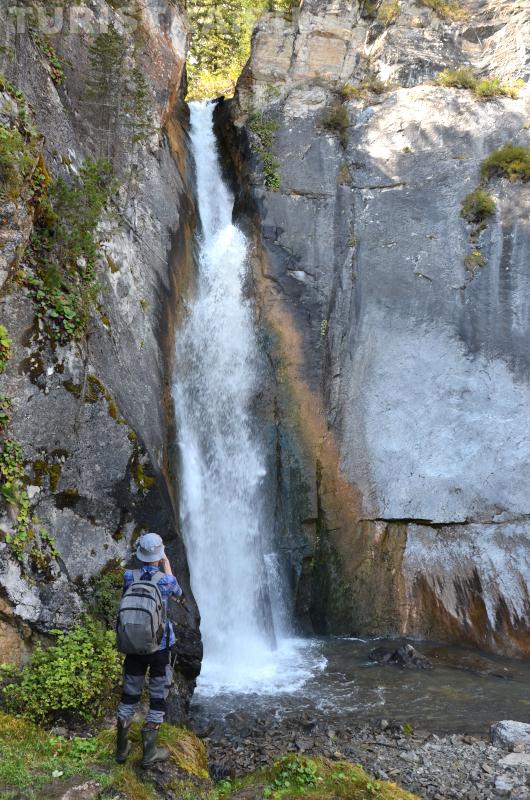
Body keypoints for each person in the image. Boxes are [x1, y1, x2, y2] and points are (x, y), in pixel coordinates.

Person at [116, 531, 183, 767]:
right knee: (157, 698)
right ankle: (149, 752)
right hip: (159, 647)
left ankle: (122, 749)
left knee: (129, 695)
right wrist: (167, 565)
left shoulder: (128, 576)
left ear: (139, 555)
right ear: (159, 554)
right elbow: (178, 593)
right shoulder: (166, 580)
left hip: (133, 645)